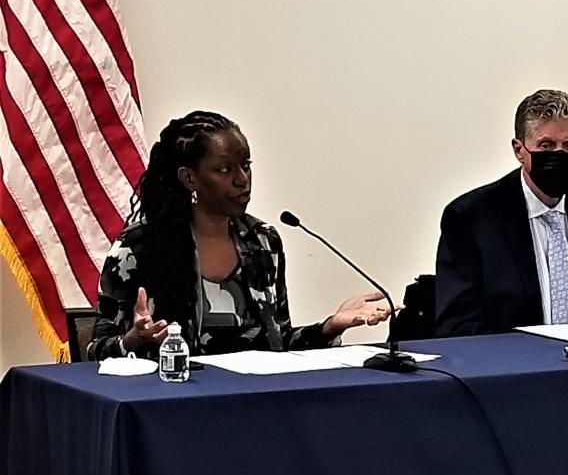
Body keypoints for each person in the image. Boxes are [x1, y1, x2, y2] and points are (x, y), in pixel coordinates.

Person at [88, 110, 393, 360]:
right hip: (172, 408)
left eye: (245, 166)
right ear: (189, 178)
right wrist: (132, 341)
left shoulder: (262, 241)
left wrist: (329, 327)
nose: (242, 180)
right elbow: (93, 352)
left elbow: (279, 344)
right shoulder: (139, 247)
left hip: (253, 406)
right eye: (224, 169)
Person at [434, 89, 568, 337]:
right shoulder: (471, 216)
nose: (558, 154)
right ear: (519, 150)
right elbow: (456, 326)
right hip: (511, 366)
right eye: (546, 145)